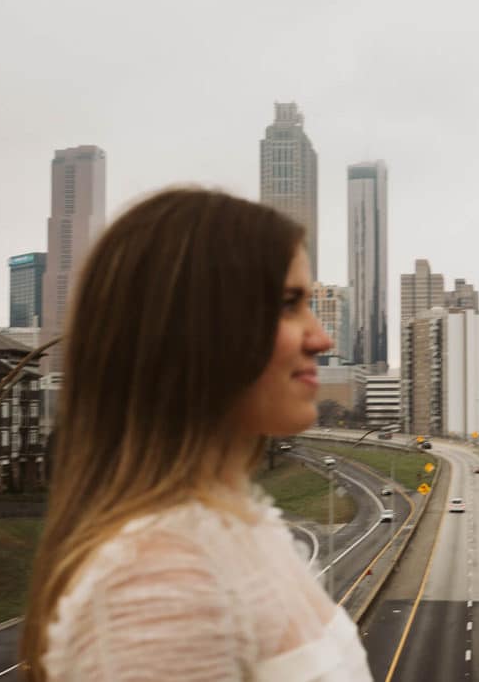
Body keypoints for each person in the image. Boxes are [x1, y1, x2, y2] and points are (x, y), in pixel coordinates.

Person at [20, 188, 372, 680]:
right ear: (197, 330)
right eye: (288, 304)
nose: (322, 337)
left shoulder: (241, 530)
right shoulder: (160, 583)